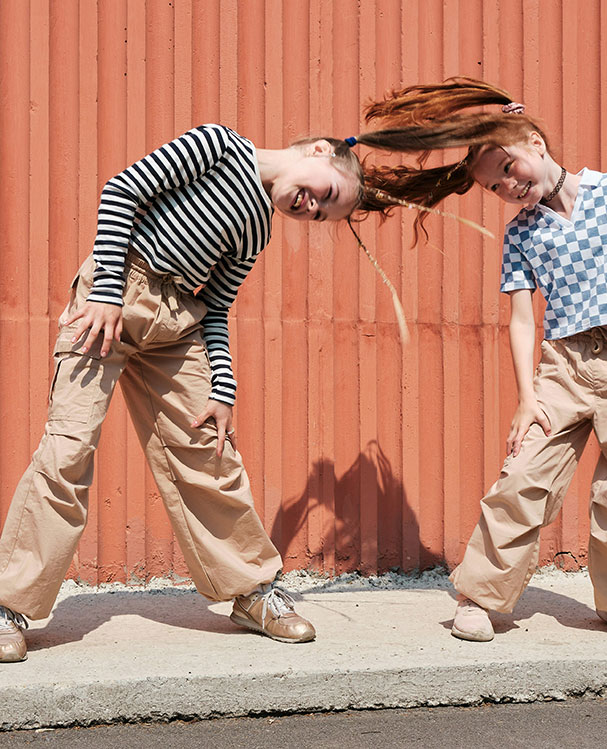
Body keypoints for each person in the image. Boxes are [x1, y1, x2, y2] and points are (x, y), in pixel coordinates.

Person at [0, 123, 385, 662]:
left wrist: (223, 387)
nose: (311, 208)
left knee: (209, 450)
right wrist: (109, 290)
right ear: (318, 152)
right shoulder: (220, 145)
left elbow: (219, 306)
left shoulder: (259, 231)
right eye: (325, 195)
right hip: (111, 300)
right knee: (68, 450)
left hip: (176, 324)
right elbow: (122, 191)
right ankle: (9, 606)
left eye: (321, 215)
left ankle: (252, 593)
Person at [359, 78, 607, 641]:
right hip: (562, 367)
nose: (507, 186)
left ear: (533, 141)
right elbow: (524, 319)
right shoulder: (521, 234)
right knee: (523, 479)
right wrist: (528, 396)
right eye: (493, 186)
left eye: (507, 169)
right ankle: (480, 595)